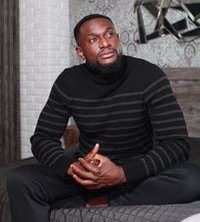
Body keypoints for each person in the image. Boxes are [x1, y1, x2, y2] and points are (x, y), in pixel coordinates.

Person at [7, 14, 200, 222]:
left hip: (135, 174)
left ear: (117, 38)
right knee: (20, 179)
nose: (105, 43)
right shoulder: (68, 82)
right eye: (93, 39)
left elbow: (177, 143)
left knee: (192, 180)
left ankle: (105, 199)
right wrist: (73, 168)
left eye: (109, 34)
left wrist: (122, 173)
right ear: (80, 52)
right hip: (85, 174)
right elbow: (42, 138)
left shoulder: (148, 76)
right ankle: (91, 193)